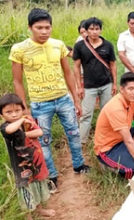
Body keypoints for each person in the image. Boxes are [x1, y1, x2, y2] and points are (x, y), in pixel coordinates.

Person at [9, 8, 89, 188]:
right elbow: (17, 81)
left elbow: (68, 73)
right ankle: (51, 176)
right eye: (39, 28)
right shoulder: (19, 49)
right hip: (39, 103)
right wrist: (24, 109)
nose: (44, 31)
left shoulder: (58, 45)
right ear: (30, 27)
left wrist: (75, 99)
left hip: (63, 99)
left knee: (74, 133)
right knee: (43, 141)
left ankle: (79, 165)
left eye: (47, 27)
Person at [0, 94, 55, 219]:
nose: (14, 114)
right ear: (2, 115)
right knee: (26, 191)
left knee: (37, 185)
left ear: (22, 109)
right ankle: (28, 216)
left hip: (35, 161)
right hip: (21, 168)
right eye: (9, 112)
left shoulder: (27, 120)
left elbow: (39, 132)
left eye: (17, 110)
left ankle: (40, 209)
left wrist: (24, 133)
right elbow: (10, 130)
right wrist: (21, 120)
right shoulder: (5, 127)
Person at [94, 72, 134, 179]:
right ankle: (106, 165)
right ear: (121, 89)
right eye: (130, 89)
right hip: (108, 149)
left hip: (122, 140)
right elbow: (128, 141)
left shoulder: (132, 101)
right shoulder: (116, 107)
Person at [73, 17, 117, 145]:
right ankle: (82, 142)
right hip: (88, 86)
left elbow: (113, 65)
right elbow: (76, 67)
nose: (94, 32)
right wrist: (79, 87)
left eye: (97, 29)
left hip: (106, 84)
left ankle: (108, 139)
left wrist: (114, 83)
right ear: (86, 31)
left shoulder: (108, 45)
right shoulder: (80, 46)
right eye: (91, 29)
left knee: (107, 112)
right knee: (86, 115)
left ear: (101, 30)